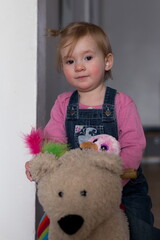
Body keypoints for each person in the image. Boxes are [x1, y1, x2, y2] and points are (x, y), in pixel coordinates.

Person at [25, 22, 160, 239]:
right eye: (70, 61)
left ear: (107, 61)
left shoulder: (121, 103)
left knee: (139, 228)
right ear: (63, 67)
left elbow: (134, 146)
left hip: (123, 184)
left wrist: (113, 180)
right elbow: (54, 144)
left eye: (87, 58)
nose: (79, 66)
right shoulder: (63, 104)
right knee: (56, 225)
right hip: (78, 186)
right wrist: (41, 163)